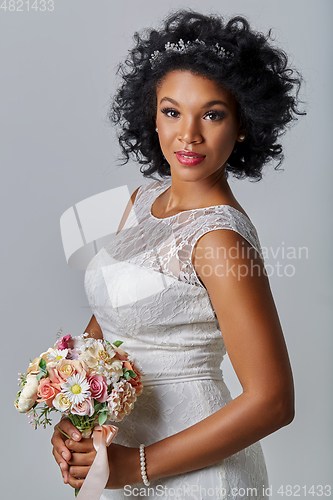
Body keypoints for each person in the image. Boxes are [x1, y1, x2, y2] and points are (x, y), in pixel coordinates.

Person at [51, 10, 303, 500]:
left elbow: (273, 401)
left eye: (212, 114)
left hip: (197, 473)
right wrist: (73, 412)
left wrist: (135, 466)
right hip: (119, 454)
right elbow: (112, 319)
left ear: (244, 124)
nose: (188, 134)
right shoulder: (139, 202)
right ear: (153, 115)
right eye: (172, 111)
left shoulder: (220, 240)